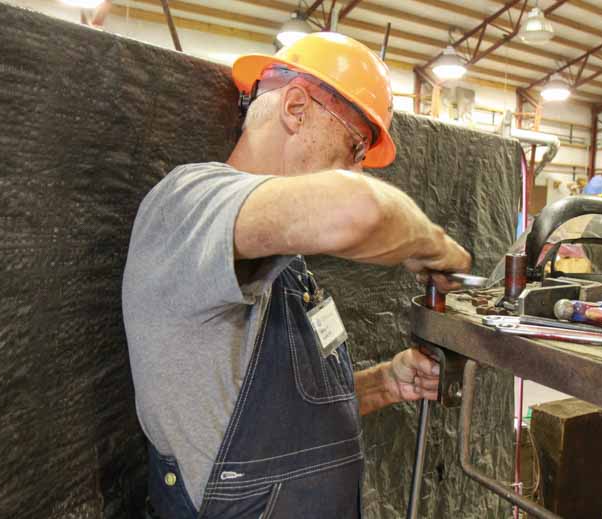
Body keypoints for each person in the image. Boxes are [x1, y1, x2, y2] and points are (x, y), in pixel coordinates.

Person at [122, 32, 470, 519]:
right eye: (354, 148)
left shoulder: (284, 260)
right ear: (296, 106)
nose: (357, 170)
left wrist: (388, 383)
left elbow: (288, 417)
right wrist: (432, 243)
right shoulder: (187, 202)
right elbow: (358, 209)